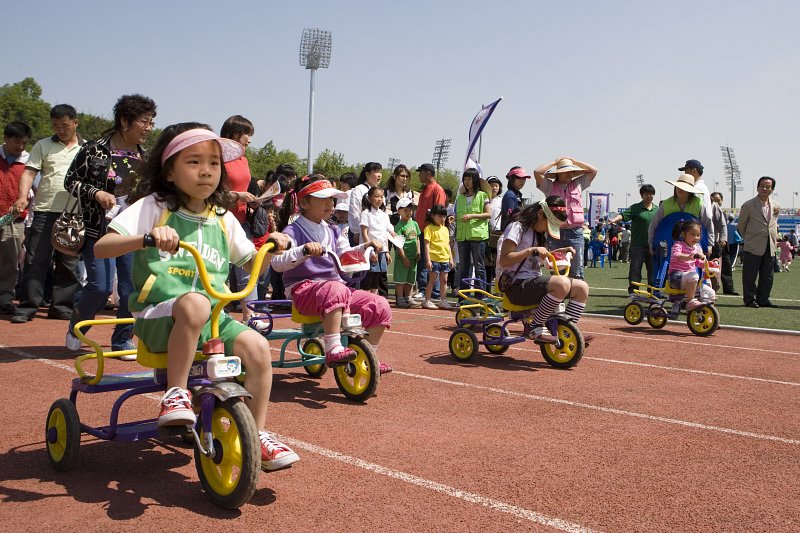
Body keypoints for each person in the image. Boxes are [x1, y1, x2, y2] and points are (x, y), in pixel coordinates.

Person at [94, 122, 299, 470]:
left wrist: (272, 248)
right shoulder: (154, 206)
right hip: (159, 318)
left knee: (258, 347)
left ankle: (257, 432)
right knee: (195, 302)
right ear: (170, 171)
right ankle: (175, 392)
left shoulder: (222, 218)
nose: (206, 171)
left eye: (214, 163)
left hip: (211, 323)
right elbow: (102, 248)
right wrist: (146, 237)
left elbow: (253, 265)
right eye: (193, 162)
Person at [271, 174, 393, 374]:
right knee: (336, 289)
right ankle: (333, 347)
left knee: (379, 305)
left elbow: (345, 253)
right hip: (304, 291)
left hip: (335, 290)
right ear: (304, 202)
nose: (331, 204)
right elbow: (276, 262)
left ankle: (370, 356)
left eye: (332, 199)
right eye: (324, 199)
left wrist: (366, 246)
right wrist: (303, 251)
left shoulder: (333, 230)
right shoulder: (293, 230)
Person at [63, 94, 157, 353]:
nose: (149, 128)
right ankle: (78, 323)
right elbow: (70, 181)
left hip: (130, 231)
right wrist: (97, 194)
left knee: (130, 290)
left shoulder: (146, 157)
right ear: (125, 121)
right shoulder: (94, 149)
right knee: (100, 286)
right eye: (144, 122)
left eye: (151, 122)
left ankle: (122, 338)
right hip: (96, 228)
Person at [11, 104, 84, 323]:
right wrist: (22, 197)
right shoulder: (42, 145)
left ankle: (61, 306)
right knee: (36, 260)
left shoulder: (87, 148)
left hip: (74, 212)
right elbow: (29, 173)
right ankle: (27, 306)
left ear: (75, 123)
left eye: (64, 125)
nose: (60, 130)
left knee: (69, 262)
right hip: (44, 210)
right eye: (55, 125)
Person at [496, 196, 593, 344]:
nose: (548, 229)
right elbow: (504, 260)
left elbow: (543, 259)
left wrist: (562, 251)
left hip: (531, 283)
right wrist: (531, 250)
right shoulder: (517, 227)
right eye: (549, 224)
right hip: (515, 287)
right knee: (561, 284)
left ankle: (567, 330)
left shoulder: (538, 233)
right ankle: (534, 326)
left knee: (582, 287)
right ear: (540, 214)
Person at [534, 157, 599, 279]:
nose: (570, 174)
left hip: (576, 232)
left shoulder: (579, 183)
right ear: (558, 174)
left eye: (572, 171)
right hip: (555, 232)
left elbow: (594, 170)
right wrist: (555, 162)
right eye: (566, 171)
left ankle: (575, 297)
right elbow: (537, 172)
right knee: (557, 268)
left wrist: (574, 161)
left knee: (577, 271)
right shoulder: (549, 186)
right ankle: (558, 296)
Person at [220, 115, 258, 322]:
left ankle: (250, 313)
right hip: (219, 219)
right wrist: (236, 196)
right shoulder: (218, 157)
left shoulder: (244, 159)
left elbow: (244, 187)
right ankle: (218, 311)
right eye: (247, 135)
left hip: (242, 220)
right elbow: (212, 193)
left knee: (248, 266)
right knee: (220, 269)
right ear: (234, 133)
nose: (249, 140)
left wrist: (253, 200)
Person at [0, 121, 32, 316]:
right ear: (5, 139)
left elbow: (34, 190)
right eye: (17, 143)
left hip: (14, 219)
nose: (20, 147)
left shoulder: (29, 161)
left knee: (11, 261)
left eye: (24, 143)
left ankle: (4, 297)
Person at [738, 176, 780, 307]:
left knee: (768, 276)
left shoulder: (776, 205)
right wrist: (748, 238)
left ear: (772, 189)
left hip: (770, 245)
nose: (765, 188)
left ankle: (763, 299)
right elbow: (741, 225)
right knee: (750, 275)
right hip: (753, 245)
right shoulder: (748, 205)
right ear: (757, 188)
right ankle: (750, 299)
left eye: (768, 187)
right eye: (762, 186)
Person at [648, 174, 714, 257]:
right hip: (669, 247)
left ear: (690, 191)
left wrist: (709, 245)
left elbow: (708, 224)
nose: (680, 189)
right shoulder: (666, 204)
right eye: (678, 186)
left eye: (684, 188)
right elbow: (654, 225)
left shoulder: (699, 204)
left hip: (693, 248)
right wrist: (651, 244)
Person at [611, 185, 659, 292]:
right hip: (638, 245)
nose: (649, 196)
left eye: (651, 194)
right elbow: (623, 215)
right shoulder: (635, 208)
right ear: (641, 195)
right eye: (646, 194)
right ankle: (634, 291)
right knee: (635, 269)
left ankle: (653, 292)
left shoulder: (658, 209)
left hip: (653, 245)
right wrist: (614, 220)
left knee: (653, 270)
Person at [454, 168, 491, 299]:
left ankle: (481, 298)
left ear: (475, 180)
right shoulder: (460, 198)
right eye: (465, 179)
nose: (467, 182)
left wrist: (471, 216)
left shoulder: (483, 196)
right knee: (463, 268)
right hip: (462, 236)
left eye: (470, 179)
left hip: (477, 236)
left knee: (479, 267)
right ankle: (463, 298)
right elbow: (456, 216)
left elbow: (488, 214)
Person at [414, 163, 446, 301]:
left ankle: (431, 292)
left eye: (420, 172)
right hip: (421, 230)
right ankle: (426, 290)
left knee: (431, 263)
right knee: (423, 262)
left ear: (428, 173)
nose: (419, 175)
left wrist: (435, 230)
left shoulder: (437, 189)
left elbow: (440, 211)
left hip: (430, 232)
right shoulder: (425, 189)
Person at [667, 220, 711, 310]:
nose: (696, 237)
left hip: (688, 278)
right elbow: (677, 256)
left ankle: (706, 305)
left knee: (703, 285)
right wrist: (690, 256)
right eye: (692, 234)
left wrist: (709, 264)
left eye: (698, 235)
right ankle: (690, 301)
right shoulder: (678, 245)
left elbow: (698, 263)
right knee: (694, 276)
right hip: (675, 277)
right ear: (683, 234)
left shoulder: (696, 247)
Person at [360, 186, 394, 295]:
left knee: (377, 276)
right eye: (376, 196)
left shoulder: (384, 215)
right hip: (371, 249)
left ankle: (373, 298)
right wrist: (370, 250)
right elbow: (364, 233)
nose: (379, 199)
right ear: (369, 198)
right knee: (369, 275)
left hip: (381, 250)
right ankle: (365, 298)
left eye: (381, 197)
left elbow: (385, 235)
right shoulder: (366, 213)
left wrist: (387, 252)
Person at [421, 204, 454, 310]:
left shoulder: (445, 229)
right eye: (440, 216)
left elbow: (448, 244)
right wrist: (428, 260)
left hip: (444, 259)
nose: (442, 218)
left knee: (444, 280)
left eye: (444, 216)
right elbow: (426, 245)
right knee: (432, 279)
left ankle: (443, 300)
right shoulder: (429, 228)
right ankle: (427, 300)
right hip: (434, 258)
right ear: (433, 216)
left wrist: (451, 258)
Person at [393, 198, 420, 309]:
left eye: (410, 210)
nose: (409, 213)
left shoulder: (414, 223)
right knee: (401, 279)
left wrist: (419, 251)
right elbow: (399, 244)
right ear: (399, 211)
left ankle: (408, 297)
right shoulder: (399, 226)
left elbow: (417, 238)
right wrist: (404, 257)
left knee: (410, 279)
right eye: (405, 210)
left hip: (413, 257)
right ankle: (400, 298)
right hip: (403, 257)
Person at [709, 191, 738, 295]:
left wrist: (723, 239)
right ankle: (711, 288)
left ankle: (729, 288)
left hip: (722, 242)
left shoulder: (721, 211)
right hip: (714, 242)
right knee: (711, 266)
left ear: (722, 200)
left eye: (718, 200)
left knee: (726, 265)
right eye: (714, 200)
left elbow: (722, 226)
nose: (716, 201)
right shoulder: (709, 208)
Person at [348, 162, 383, 245]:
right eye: (376, 172)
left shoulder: (379, 191)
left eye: (380, 172)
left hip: (375, 232)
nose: (379, 175)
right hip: (360, 232)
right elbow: (354, 211)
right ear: (367, 174)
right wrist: (356, 231)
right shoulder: (359, 189)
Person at [485, 175, 503, 285]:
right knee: (486, 261)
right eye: (491, 185)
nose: (494, 188)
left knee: (497, 261)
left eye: (496, 185)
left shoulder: (501, 201)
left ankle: (498, 288)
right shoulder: (483, 199)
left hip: (497, 234)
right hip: (484, 233)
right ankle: (486, 286)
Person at [500, 166, 529, 230]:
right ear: (511, 179)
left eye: (524, 178)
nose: (522, 181)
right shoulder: (510, 195)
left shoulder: (516, 194)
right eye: (519, 177)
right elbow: (510, 218)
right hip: (510, 233)